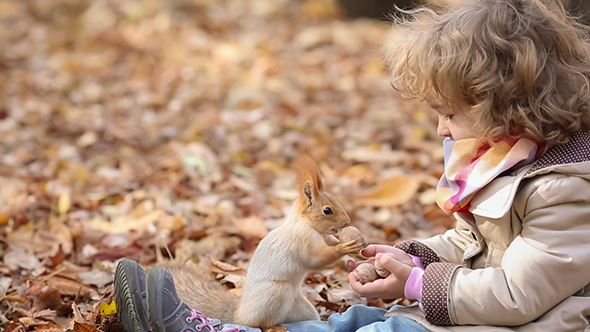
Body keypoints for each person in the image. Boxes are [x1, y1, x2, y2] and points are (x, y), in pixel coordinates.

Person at [114, 0, 590, 331]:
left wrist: (421, 284)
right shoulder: (512, 165)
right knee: (356, 322)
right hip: (480, 320)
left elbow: (518, 294)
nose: (442, 132)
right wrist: (416, 258)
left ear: (504, 109)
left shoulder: (565, 189)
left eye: (449, 115)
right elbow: (478, 245)